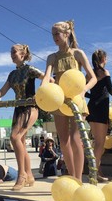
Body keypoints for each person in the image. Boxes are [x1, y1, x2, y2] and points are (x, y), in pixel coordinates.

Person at [41, 20, 97, 180]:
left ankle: (78, 179)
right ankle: (72, 176)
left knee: (75, 139)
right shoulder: (52, 57)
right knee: (63, 141)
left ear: (67, 34)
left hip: (76, 101)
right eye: (52, 34)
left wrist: (83, 92)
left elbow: (92, 78)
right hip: (59, 102)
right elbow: (46, 77)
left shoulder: (78, 54)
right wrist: (43, 92)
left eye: (57, 33)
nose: (54, 37)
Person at [0, 44, 46, 191]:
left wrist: (42, 94)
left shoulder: (30, 69)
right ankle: (29, 175)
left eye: (14, 52)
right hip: (18, 108)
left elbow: (47, 79)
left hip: (30, 107)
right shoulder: (12, 74)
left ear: (23, 54)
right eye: (10, 52)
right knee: (20, 142)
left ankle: (21, 175)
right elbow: (2, 91)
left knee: (14, 138)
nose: (11, 54)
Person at [86, 49, 112, 182]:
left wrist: (93, 96)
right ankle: (94, 172)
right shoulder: (104, 73)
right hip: (101, 109)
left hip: (91, 108)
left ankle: (97, 169)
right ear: (103, 59)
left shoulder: (89, 74)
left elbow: (86, 92)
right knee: (100, 143)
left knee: (95, 142)